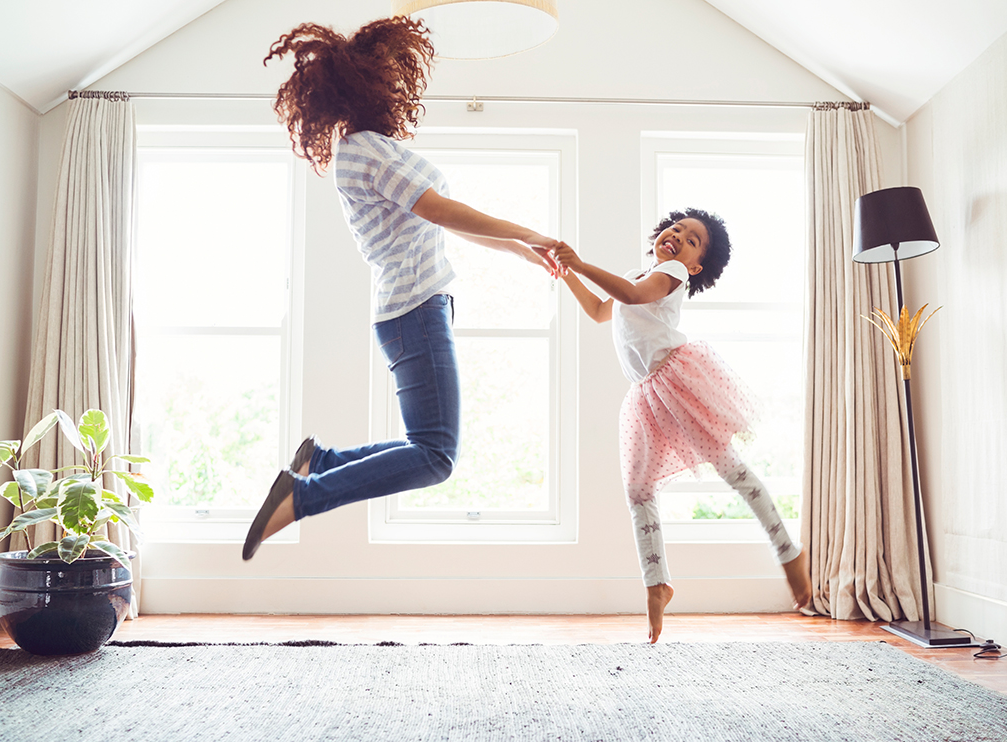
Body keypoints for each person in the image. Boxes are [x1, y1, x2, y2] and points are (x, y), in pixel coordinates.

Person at [243, 17, 561, 560]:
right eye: (388, 73)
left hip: (410, 309)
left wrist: (521, 250)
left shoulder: (366, 149)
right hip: (415, 311)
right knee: (436, 455)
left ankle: (320, 464)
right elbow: (439, 208)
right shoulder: (366, 150)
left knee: (430, 447)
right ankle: (306, 493)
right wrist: (525, 229)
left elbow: (440, 221)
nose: (397, 82)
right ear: (362, 82)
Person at [551, 208, 811, 643]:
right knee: (638, 490)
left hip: (678, 381)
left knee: (731, 469)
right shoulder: (639, 273)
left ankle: (789, 552)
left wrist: (580, 262)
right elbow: (600, 310)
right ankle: (657, 582)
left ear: (694, 267)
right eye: (676, 228)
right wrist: (567, 274)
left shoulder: (671, 273)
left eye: (692, 240)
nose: (678, 236)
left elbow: (634, 297)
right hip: (647, 394)